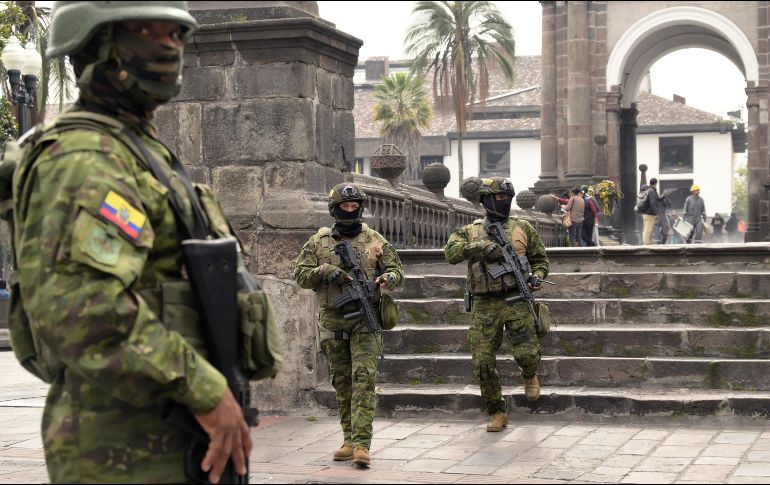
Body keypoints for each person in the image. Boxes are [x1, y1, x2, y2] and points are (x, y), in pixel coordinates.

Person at [6, 3, 253, 483]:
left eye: (176, 34)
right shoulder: (83, 157)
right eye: (146, 30)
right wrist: (204, 390)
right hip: (121, 452)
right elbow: (82, 308)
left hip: (167, 437)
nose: (168, 46)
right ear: (95, 46)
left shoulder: (134, 147)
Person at [294, 183, 404, 467]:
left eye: (355, 206)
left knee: (364, 380)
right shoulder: (318, 242)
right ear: (335, 209)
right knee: (342, 383)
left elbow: (396, 270)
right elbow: (301, 275)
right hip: (333, 320)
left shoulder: (375, 240)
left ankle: (362, 445)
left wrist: (388, 279)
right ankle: (348, 438)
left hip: (366, 321)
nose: (351, 210)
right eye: (346, 206)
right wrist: (325, 270)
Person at [444, 177, 549, 432]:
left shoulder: (522, 226)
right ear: (485, 201)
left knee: (526, 352)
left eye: (506, 198)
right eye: (497, 198)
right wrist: (480, 247)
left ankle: (529, 373)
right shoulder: (471, 230)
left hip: (516, 299)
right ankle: (497, 411)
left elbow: (541, 260)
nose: (502, 202)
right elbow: (450, 253)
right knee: (482, 362)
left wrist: (537, 277)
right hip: (484, 304)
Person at [638, 178, 660, 245]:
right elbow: (652, 203)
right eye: (656, 183)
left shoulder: (646, 190)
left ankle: (645, 242)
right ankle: (646, 243)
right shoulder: (651, 191)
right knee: (648, 229)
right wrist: (655, 213)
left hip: (644, 212)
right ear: (655, 183)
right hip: (649, 213)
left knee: (645, 228)